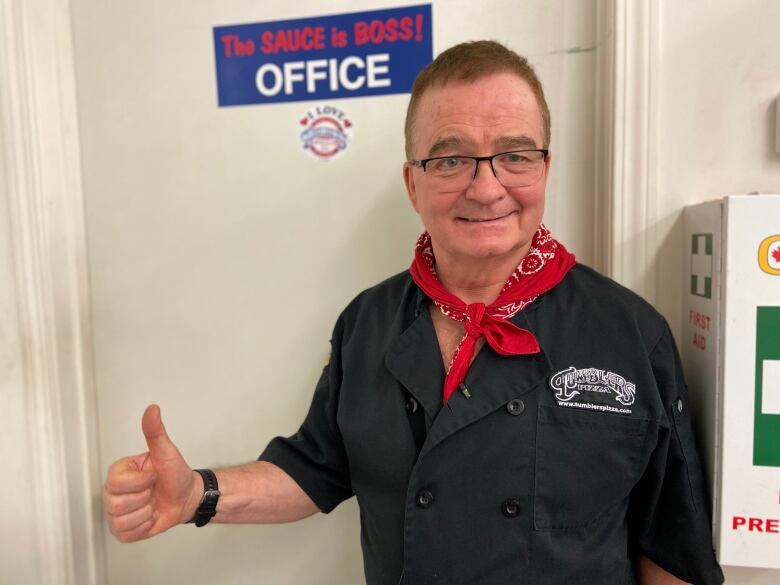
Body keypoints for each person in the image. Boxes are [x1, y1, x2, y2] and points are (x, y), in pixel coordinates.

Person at [103, 41, 724, 585]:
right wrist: (196, 496)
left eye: (514, 154)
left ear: (545, 168)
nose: (485, 188)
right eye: (450, 160)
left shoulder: (630, 333)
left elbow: (670, 545)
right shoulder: (367, 324)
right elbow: (317, 468)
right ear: (412, 183)